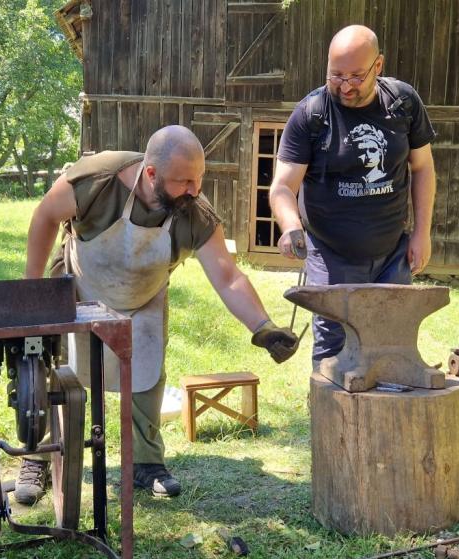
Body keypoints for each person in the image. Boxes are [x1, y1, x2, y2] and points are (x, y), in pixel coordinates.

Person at [18, 125, 299, 502]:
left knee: (146, 377)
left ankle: (146, 463)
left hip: (144, 298)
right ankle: (39, 457)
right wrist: (32, 291)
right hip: (78, 285)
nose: (195, 190)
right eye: (184, 181)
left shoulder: (194, 213)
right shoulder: (98, 179)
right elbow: (45, 217)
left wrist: (263, 328)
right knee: (54, 378)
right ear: (151, 173)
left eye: (199, 179)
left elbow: (228, 276)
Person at [269, 24, 437, 364]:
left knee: (393, 346)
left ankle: (384, 415)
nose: (346, 87)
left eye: (356, 76)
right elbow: (283, 187)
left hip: (393, 254)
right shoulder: (312, 114)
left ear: (378, 66)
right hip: (331, 255)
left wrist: (422, 233)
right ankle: (332, 416)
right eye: (336, 76)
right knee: (334, 350)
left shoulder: (403, 103)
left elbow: (422, 168)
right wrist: (290, 226)